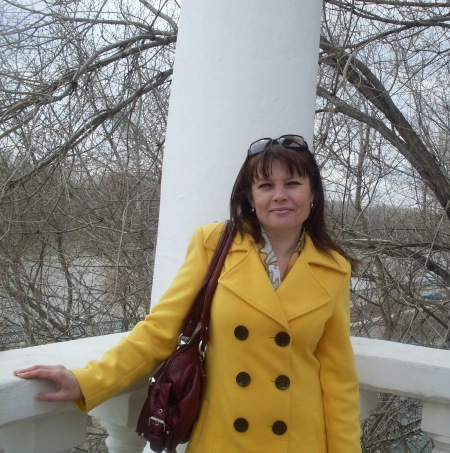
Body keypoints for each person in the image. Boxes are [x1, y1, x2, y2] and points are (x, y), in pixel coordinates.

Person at [14, 134, 362, 452]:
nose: (280, 195)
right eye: (266, 185)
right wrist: (88, 380)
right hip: (224, 439)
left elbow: (338, 378)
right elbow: (159, 331)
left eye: (293, 183)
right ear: (250, 197)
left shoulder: (333, 268)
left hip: (301, 441)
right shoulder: (214, 244)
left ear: (312, 194)